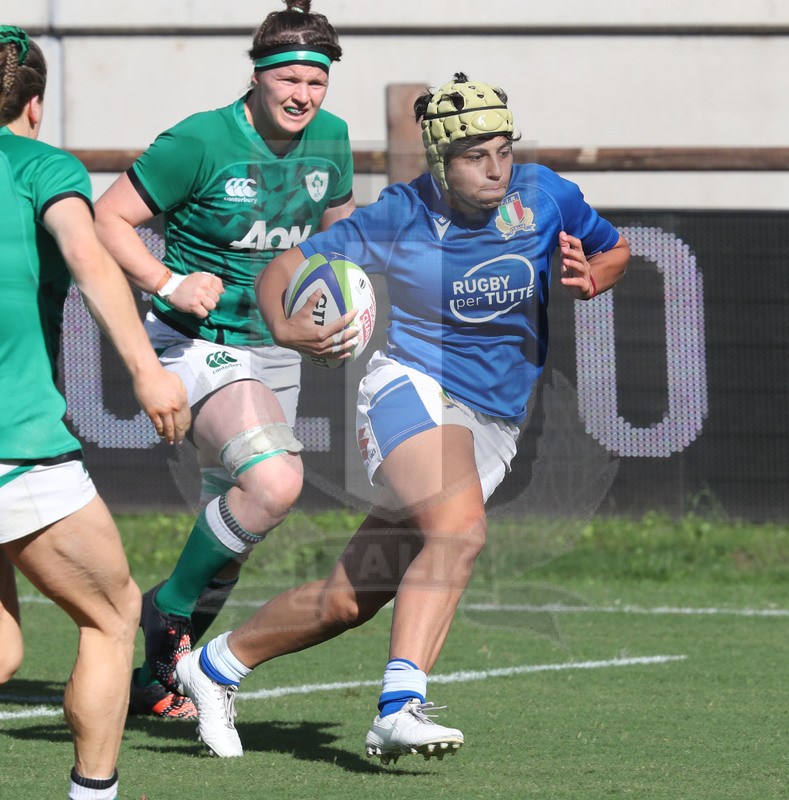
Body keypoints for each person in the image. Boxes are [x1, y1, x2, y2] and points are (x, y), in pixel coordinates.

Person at [174, 72, 630, 761]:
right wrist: (285, 327)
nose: (495, 167)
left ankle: (213, 668)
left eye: (504, 149)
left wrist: (595, 276)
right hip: (409, 387)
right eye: (476, 155)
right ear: (440, 161)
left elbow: (612, 246)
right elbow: (281, 268)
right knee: (459, 531)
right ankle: (399, 705)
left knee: (349, 599)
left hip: (495, 418)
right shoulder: (399, 214)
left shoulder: (545, 196)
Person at [94, 0, 356, 720]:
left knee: (237, 525)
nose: (304, 96)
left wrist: (334, 309)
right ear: (258, 75)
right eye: (291, 80)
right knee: (273, 483)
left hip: (276, 349)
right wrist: (166, 281)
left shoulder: (330, 139)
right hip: (195, 343)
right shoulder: (199, 141)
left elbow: (335, 236)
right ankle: (164, 615)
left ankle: (154, 678)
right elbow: (106, 217)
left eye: (318, 81)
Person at [0, 27, 190, 800]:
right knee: (113, 618)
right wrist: (148, 372)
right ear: (34, 105)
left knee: (3, 650)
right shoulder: (40, 167)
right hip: (15, 444)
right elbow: (89, 255)